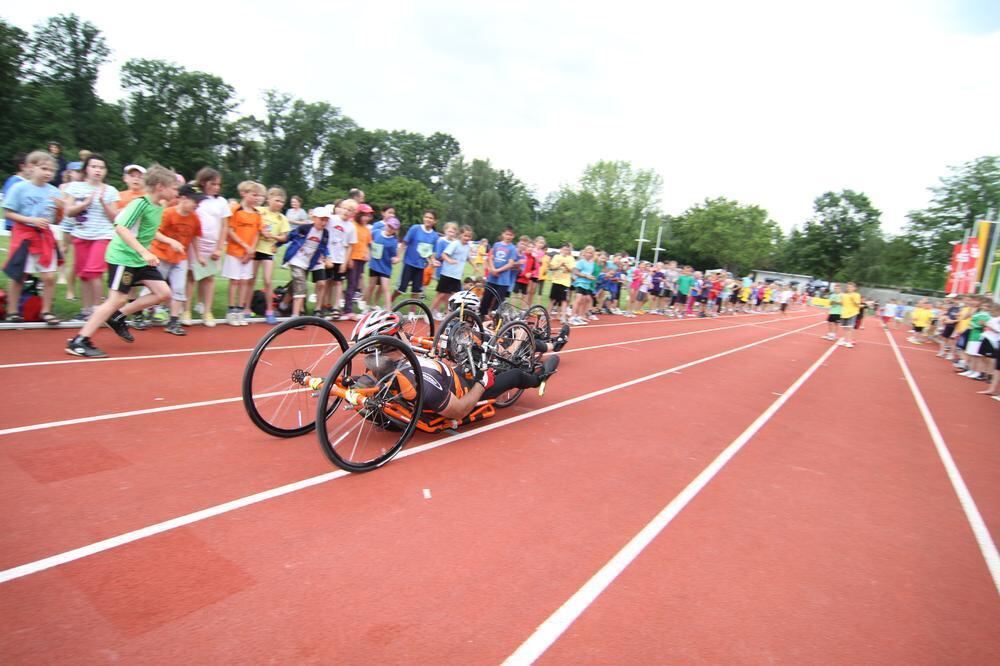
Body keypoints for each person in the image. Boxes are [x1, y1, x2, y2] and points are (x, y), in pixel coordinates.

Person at [351, 310, 560, 422]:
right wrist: (482, 383)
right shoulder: (423, 381)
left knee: (479, 350)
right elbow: (459, 410)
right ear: (394, 339)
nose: (409, 334)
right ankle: (539, 377)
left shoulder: (383, 367)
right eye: (403, 332)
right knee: (514, 375)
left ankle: (526, 343)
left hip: (452, 374)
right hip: (466, 388)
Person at [65, 166, 184, 357]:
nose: (177, 192)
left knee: (163, 293)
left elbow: (150, 230)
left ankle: (118, 316)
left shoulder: (158, 206)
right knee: (116, 299)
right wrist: (144, 252)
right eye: (174, 188)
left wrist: (169, 241)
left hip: (138, 258)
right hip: (124, 257)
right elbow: (121, 227)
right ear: (161, 187)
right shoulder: (140, 204)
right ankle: (79, 341)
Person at [2, 151, 65, 324]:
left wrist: (60, 209)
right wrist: (31, 220)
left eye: (51, 170)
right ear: (31, 167)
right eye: (43, 168)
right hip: (24, 236)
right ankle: (13, 311)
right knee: (19, 276)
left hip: (44, 237)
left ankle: (46, 311)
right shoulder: (19, 188)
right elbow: (8, 213)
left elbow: (57, 219)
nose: (47, 173)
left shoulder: (54, 191)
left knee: (49, 276)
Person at [63, 153, 120, 321]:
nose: (97, 170)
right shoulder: (75, 187)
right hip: (81, 235)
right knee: (83, 275)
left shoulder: (110, 191)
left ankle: (98, 310)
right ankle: (86, 310)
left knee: (94, 272)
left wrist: (103, 202)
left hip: (102, 235)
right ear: (86, 169)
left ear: (105, 171)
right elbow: (68, 211)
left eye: (101, 167)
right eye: (94, 166)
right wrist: (84, 204)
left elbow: (115, 218)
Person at [150, 183, 204, 335]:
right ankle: (142, 312)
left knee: (179, 289)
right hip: (161, 255)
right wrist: (171, 241)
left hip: (180, 257)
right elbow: (156, 233)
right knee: (156, 288)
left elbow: (195, 237)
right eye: (195, 202)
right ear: (184, 198)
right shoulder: (168, 213)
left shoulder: (195, 218)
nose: (197, 205)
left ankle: (173, 321)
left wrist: (199, 255)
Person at [185, 168, 230, 327]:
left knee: (209, 277)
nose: (216, 187)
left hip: (213, 245)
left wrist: (219, 248)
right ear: (203, 182)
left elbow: (225, 227)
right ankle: (186, 310)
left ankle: (207, 311)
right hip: (195, 243)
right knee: (191, 276)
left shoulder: (222, 202)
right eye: (213, 184)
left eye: (219, 184)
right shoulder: (196, 199)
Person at [223, 181, 264, 326]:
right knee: (235, 281)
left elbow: (258, 233)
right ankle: (231, 310)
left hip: (249, 254)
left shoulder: (258, 214)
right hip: (235, 252)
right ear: (244, 194)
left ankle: (240, 310)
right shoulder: (235, 210)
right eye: (254, 195)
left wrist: (251, 249)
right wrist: (244, 246)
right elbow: (230, 230)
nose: (256, 198)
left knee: (245, 281)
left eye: (258, 195)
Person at [282, 206, 331, 317]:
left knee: (297, 284)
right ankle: (295, 316)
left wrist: (327, 257)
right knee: (301, 287)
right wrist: (276, 244)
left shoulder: (325, 233)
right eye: (321, 219)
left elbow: (324, 247)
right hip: (297, 260)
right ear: (314, 218)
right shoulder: (305, 228)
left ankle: (284, 303)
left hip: (311, 262)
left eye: (326, 220)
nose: (324, 222)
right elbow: (290, 236)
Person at [253, 187, 291, 324]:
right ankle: (245, 309)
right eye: (276, 200)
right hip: (255, 248)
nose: (279, 204)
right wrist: (261, 230)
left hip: (268, 251)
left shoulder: (282, 218)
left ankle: (269, 310)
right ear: (268, 199)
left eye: (282, 202)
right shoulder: (260, 211)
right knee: (250, 279)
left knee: (268, 281)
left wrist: (273, 236)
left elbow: (284, 237)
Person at [324, 198, 358, 319]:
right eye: (345, 208)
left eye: (350, 210)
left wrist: (345, 261)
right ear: (340, 208)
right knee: (326, 282)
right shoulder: (332, 220)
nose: (346, 211)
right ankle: (323, 304)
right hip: (328, 256)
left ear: (353, 213)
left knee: (338, 283)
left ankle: (336, 307)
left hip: (340, 258)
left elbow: (350, 246)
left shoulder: (351, 227)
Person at [431, 224, 474, 319]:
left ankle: (449, 314)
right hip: (447, 274)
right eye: (465, 235)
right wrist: (449, 260)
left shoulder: (467, 247)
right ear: (460, 235)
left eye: (469, 236)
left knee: (455, 296)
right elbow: (443, 255)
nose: (467, 238)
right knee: (441, 294)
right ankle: (430, 312)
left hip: (457, 276)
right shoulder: (455, 244)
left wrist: (474, 266)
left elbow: (468, 258)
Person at [396, 210, 440, 301]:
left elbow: (430, 253)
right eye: (426, 217)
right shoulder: (415, 228)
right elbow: (404, 243)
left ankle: (411, 313)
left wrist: (433, 261)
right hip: (409, 263)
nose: (428, 219)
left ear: (435, 221)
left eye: (431, 218)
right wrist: (398, 256)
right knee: (401, 289)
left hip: (420, 267)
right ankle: (388, 305)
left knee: (416, 291)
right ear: (423, 218)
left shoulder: (435, 236)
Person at [481, 226, 520, 316]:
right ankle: (482, 316)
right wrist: (492, 269)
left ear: (513, 236)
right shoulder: (496, 245)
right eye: (507, 234)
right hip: (492, 278)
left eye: (510, 235)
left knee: (498, 302)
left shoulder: (512, 248)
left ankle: (495, 321)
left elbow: (510, 264)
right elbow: (490, 257)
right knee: (486, 299)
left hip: (503, 280)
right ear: (503, 234)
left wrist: (498, 270)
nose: (508, 236)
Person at [365, 216, 401, 310]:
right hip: (374, 265)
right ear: (386, 225)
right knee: (371, 286)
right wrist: (368, 251)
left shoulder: (393, 241)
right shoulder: (376, 232)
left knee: (385, 288)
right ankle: (366, 305)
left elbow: (396, 256)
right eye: (389, 226)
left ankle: (388, 309)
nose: (390, 229)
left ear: (395, 230)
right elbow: (368, 240)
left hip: (385, 267)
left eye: (393, 228)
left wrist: (396, 260)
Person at [347, 202, 374, 317]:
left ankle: (348, 307)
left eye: (368, 216)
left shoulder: (366, 229)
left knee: (355, 284)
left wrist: (368, 254)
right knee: (352, 283)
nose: (367, 218)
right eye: (365, 215)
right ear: (359, 214)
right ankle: (347, 309)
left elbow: (368, 244)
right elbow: (349, 243)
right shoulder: (352, 225)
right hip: (352, 258)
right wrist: (349, 259)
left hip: (361, 259)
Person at [547, 243, 575, 322]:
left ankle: (563, 317)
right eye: (564, 249)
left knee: (564, 300)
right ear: (561, 249)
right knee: (552, 299)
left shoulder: (571, 259)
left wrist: (565, 266)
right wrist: (560, 265)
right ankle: (547, 315)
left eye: (567, 250)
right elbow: (552, 267)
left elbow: (571, 269)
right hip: (556, 281)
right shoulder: (556, 257)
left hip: (565, 282)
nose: (566, 251)